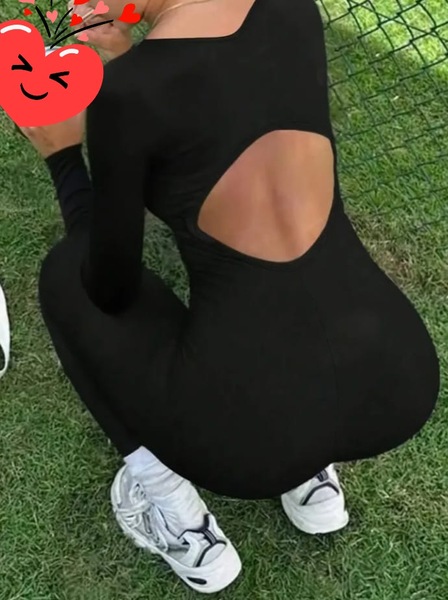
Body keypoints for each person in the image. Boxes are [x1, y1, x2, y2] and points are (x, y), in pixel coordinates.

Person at [20, 0, 440, 593]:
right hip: (397, 377)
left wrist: (64, 156)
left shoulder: (129, 94)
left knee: (67, 274)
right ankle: (313, 482)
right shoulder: (293, 11)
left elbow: (108, 288)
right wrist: (136, 58)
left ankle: (174, 511)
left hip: (251, 443)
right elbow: (218, 99)